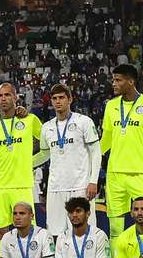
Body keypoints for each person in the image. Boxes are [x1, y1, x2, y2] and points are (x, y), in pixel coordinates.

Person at [100, 64, 143, 251]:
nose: (113, 84)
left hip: (141, 173)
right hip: (115, 174)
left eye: (118, 80)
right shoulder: (111, 106)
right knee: (115, 228)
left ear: (131, 82)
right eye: (113, 80)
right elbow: (106, 140)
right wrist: (87, 158)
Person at [0, 82, 47, 258]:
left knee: (28, 232)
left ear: (16, 97)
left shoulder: (29, 120)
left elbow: (47, 147)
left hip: (22, 185)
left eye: (8, 95)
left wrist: (30, 163)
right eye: (0, 96)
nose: (3, 99)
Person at [39, 84, 101, 238]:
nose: (58, 101)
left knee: (85, 231)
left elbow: (96, 152)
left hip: (80, 185)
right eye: (54, 98)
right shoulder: (46, 128)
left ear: (70, 99)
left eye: (61, 98)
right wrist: (25, 164)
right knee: (55, 233)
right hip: (56, 187)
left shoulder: (84, 121)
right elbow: (45, 155)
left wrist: (93, 181)